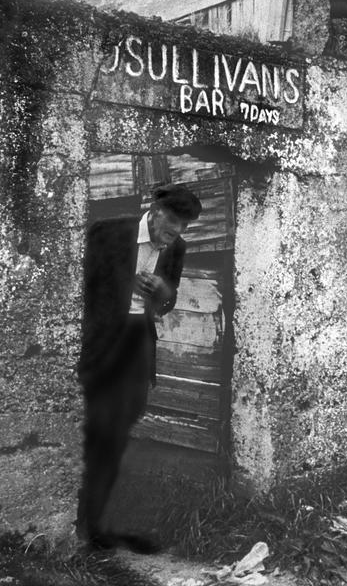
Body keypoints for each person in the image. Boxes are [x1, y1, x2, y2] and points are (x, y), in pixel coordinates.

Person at [76, 183, 202, 551]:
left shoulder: (176, 248)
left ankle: (94, 524)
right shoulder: (110, 232)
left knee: (119, 429)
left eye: (185, 225)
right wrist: (123, 281)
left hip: (136, 344)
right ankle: (72, 512)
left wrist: (161, 289)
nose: (177, 231)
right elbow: (82, 283)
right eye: (174, 220)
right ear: (156, 210)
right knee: (92, 428)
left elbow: (167, 304)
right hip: (98, 344)